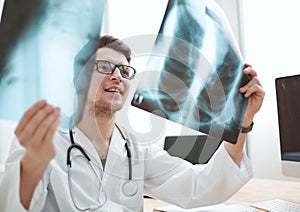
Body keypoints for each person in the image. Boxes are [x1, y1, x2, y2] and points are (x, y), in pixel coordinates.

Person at [0, 35, 265, 211]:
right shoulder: (42, 140)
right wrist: (32, 168)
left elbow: (200, 187)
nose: (117, 76)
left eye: (124, 71)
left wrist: (241, 124)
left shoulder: (135, 148)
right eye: (104, 67)